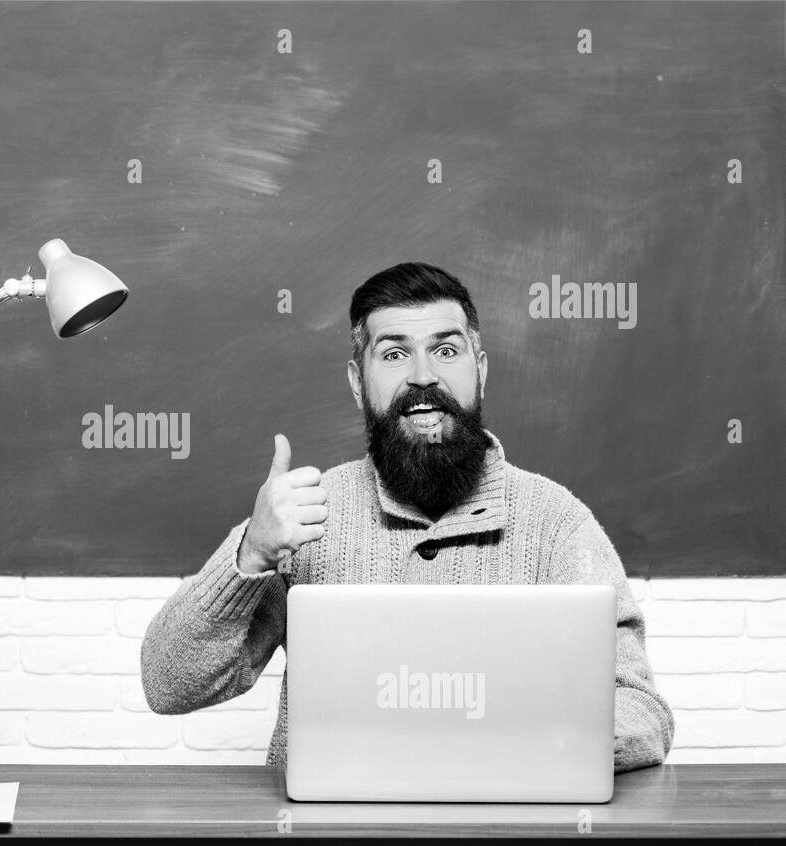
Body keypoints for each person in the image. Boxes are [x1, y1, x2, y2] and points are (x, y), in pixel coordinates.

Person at [141, 261, 674, 772]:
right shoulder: (305, 520)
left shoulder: (556, 524)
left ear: (480, 371)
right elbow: (167, 683)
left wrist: (504, 750)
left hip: (498, 845)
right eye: (395, 355)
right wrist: (251, 552)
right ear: (357, 382)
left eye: (446, 349)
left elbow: (640, 712)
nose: (424, 376)